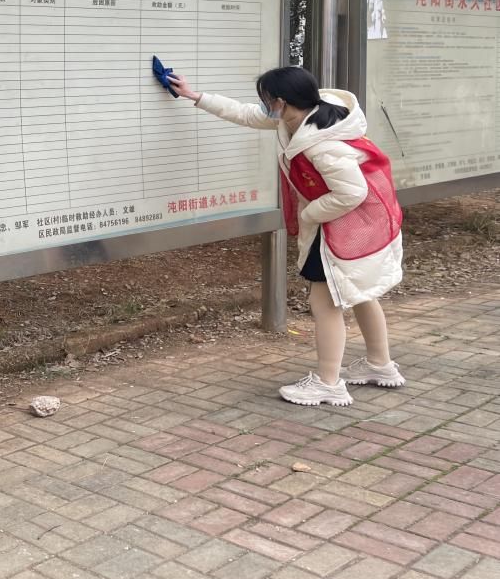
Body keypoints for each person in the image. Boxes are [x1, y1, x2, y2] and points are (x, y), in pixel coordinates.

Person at [169, 67, 405, 407]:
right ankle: (379, 364)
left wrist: (310, 213)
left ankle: (328, 383)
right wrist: (197, 96)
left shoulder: (323, 145)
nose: (264, 105)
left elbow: (352, 192)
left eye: (267, 99)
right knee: (360, 292)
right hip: (357, 224)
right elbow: (248, 115)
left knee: (325, 303)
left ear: (281, 101)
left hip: (339, 228)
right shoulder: (308, 112)